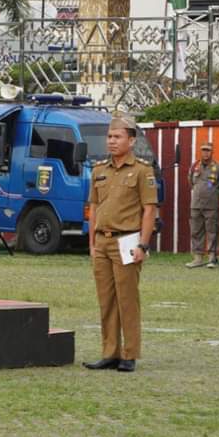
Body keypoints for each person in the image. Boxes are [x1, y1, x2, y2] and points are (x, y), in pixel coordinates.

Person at [82, 115, 158, 373]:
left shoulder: (141, 171)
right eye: (110, 137)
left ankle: (129, 353)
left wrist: (143, 246)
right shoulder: (99, 170)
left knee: (127, 299)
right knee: (106, 300)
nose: (112, 141)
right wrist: (92, 243)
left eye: (118, 137)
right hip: (102, 241)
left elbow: (149, 211)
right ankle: (109, 352)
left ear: (132, 140)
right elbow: (93, 206)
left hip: (128, 240)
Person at [186, 142, 219, 268]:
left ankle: (212, 258)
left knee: (212, 231)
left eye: (208, 150)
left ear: (212, 152)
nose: (205, 153)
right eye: (203, 150)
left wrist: (213, 195)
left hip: (211, 205)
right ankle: (198, 258)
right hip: (196, 204)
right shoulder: (195, 167)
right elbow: (191, 183)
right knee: (196, 231)